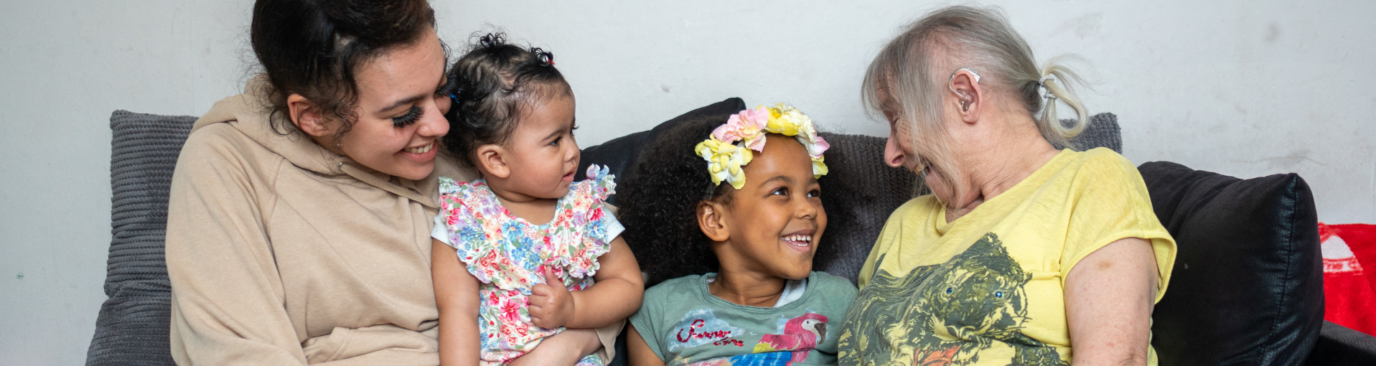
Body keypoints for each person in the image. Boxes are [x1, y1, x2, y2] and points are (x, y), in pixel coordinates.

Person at [165, 1, 601, 364]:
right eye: (403, 115)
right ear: (313, 116)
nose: (439, 126)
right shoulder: (227, 164)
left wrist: (573, 342)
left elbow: (593, 246)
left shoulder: (466, 141)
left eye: (441, 90)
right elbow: (235, 351)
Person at [835, 6, 1178, 366]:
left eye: (898, 118)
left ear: (965, 97)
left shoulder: (1091, 180)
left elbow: (1117, 358)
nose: (890, 155)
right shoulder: (904, 222)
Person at [429, 34, 645, 366]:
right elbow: (458, 311)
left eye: (571, 132)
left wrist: (574, 308)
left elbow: (628, 285)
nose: (573, 151)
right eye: (554, 141)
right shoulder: (464, 219)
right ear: (496, 160)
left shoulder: (584, 209)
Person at [618, 104, 857, 365]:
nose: (808, 209)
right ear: (715, 220)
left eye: (813, 193)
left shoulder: (839, 301)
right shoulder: (660, 309)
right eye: (780, 191)